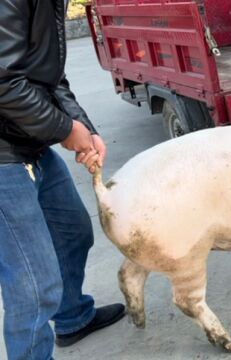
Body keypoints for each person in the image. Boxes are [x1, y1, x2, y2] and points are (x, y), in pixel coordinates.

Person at [0, 0, 126, 359]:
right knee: (33, 286)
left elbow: (50, 78)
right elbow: (3, 82)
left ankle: (72, 317)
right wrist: (64, 129)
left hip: (27, 139)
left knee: (72, 232)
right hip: (4, 156)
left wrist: (84, 127)